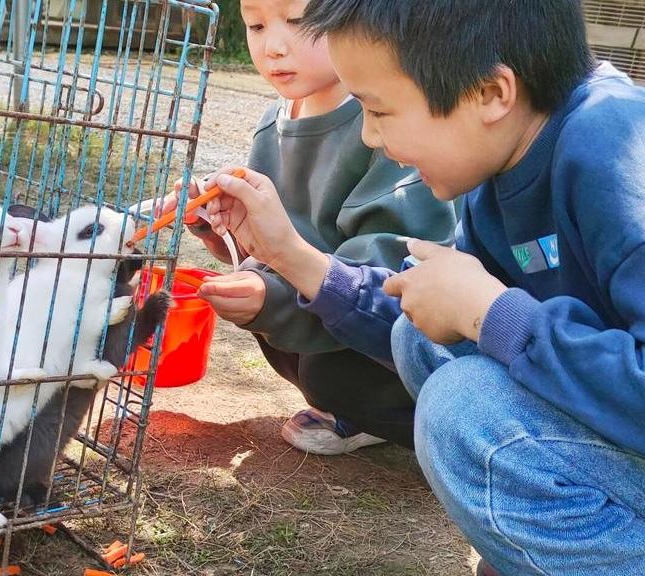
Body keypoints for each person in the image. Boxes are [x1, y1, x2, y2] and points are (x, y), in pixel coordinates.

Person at [200, 1, 645, 574]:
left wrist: (493, 313)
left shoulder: (619, 155)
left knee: (464, 410)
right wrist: (287, 256)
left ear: (489, 93)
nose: (370, 135)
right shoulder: (503, 161)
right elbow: (433, 314)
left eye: (379, 110)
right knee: (421, 332)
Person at [163, 0, 456, 455]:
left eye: (299, 21)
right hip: (320, 306)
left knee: (327, 371)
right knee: (273, 325)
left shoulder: (382, 124)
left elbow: (388, 272)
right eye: (256, 25)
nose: (274, 47)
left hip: (388, 322)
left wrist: (274, 290)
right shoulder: (273, 124)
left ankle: (433, 426)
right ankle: (350, 407)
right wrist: (219, 225)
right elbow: (276, 240)